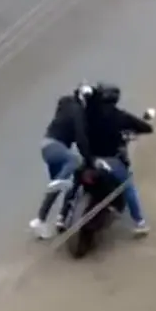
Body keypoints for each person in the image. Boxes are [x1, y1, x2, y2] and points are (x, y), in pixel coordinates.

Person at [85, 82, 153, 235]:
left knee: (75, 181)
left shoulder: (90, 113)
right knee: (128, 186)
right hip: (111, 161)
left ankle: (63, 215)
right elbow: (146, 127)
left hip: (91, 158)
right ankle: (140, 222)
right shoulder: (120, 116)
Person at [28, 83, 95, 239]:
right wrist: (89, 158)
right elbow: (80, 138)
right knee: (76, 160)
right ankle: (58, 184)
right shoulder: (77, 111)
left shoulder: (66, 104)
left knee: (56, 189)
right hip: (56, 147)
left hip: (47, 147)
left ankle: (41, 220)